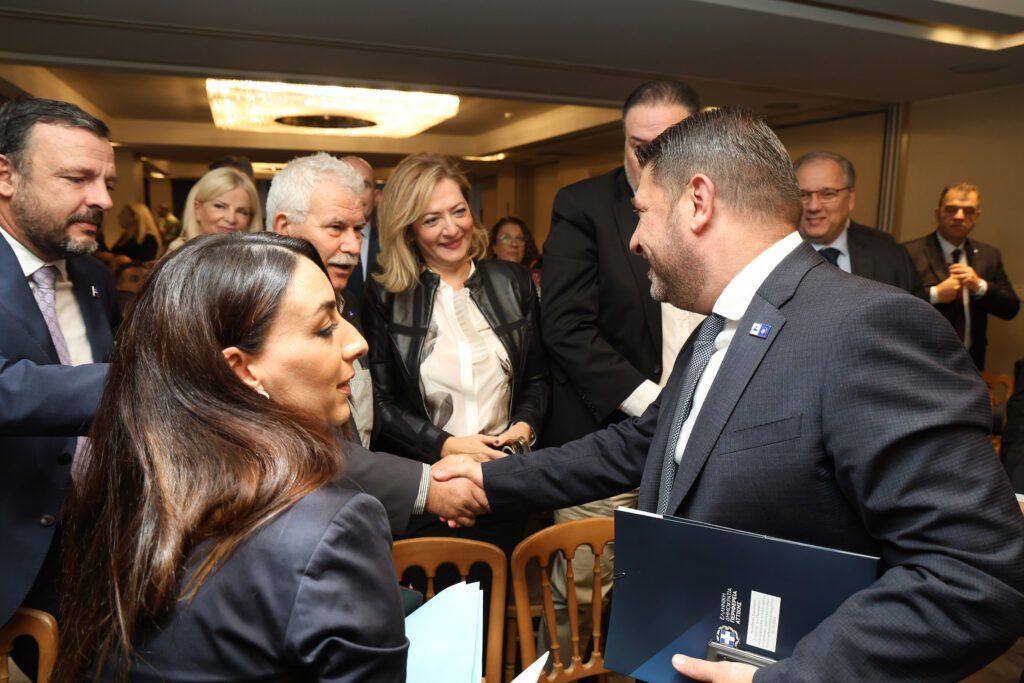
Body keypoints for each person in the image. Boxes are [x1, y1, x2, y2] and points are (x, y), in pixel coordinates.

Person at [433, 107, 1024, 682]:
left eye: (642, 213)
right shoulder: (718, 328)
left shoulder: (868, 327)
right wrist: (490, 482)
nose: (633, 240)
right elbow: (645, 443)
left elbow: (975, 574)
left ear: (698, 201)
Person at [55, 233, 408, 681]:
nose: (357, 342)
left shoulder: (128, 496)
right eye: (324, 328)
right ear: (241, 369)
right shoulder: (334, 529)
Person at [537, 78, 703, 666]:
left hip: (700, 446)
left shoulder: (717, 205)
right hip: (608, 439)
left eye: (668, 143)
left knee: (674, 595)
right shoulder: (582, 206)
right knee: (581, 600)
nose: (650, 158)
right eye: (639, 146)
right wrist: (658, 409)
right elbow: (566, 327)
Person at [362, 152, 548, 557]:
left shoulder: (513, 281)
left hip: (503, 484)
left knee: (500, 594)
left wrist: (523, 429)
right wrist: (446, 446)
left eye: (459, 211)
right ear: (408, 228)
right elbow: (381, 401)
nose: (451, 229)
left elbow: (536, 379)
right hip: (431, 489)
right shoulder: (385, 295)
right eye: (432, 219)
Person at [0, 98, 119, 655]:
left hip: (93, 544)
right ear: (6, 176)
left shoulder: (94, 277)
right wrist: (143, 379)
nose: (103, 199)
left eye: (106, 182)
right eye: (77, 178)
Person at [267, 152, 372, 447]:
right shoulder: (262, 320)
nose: (353, 246)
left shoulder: (348, 303)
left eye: (358, 230)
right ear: (285, 228)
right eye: (336, 228)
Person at [903, 183, 1019, 370]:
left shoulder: (989, 255)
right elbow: (892, 305)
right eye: (951, 209)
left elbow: (1011, 308)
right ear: (938, 213)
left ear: (977, 216)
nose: (959, 216)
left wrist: (979, 286)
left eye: (968, 211)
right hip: (920, 362)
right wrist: (934, 295)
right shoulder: (909, 252)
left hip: (970, 366)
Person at [793, 151, 917, 293]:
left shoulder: (888, 252)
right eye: (802, 195)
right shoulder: (774, 254)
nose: (813, 206)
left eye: (828, 194)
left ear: (850, 198)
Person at [166, 166, 262, 252]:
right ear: (197, 209)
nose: (231, 219)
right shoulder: (177, 257)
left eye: (241, 211)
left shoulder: (258, 260)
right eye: (220, 206)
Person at [342, 155, 381, 303]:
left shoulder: (393, 245)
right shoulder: (316, 242)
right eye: (347, 184)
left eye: (364, 185)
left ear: (376, 196)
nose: (356, 192)